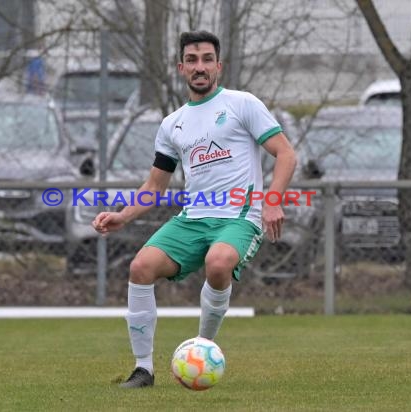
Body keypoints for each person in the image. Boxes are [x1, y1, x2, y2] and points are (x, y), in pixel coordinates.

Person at [92, 30, 297, 388]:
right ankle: (143, 370)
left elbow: (286, 153)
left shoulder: (242, 103)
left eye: (206, 59)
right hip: (193, 217)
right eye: (191, 60)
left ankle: (203, 349)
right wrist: (122, 215)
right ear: (181, 68)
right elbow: (155, 186)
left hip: (239, 216)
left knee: (217, 263)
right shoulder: (172, 124)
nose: (199, 67)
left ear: (218, 65)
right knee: (140, 267)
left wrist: (273, 203)